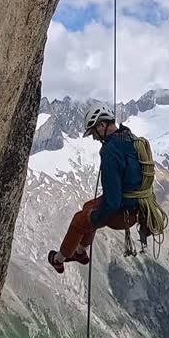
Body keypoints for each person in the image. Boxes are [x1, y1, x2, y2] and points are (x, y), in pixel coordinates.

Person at [48, 103, 143, 273]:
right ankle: (80, 251)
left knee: (80, 220)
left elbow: (112, 203)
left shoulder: (110, 151)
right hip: (136, 206)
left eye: (93, 131)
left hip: (123, 213)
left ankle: (59, 259)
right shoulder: (130, 137)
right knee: (87, 207)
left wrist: (95, 219)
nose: (93, 137)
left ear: (102, 125)